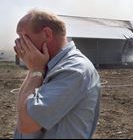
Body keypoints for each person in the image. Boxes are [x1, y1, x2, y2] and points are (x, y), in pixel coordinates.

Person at [13, 9, 101, 139]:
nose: (19, 43)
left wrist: (35, 70)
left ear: (47, 34)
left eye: (23, 37)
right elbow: (23, 108)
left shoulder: (74, 69)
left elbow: (27, 124)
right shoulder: (45, 66)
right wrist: (34, 69)